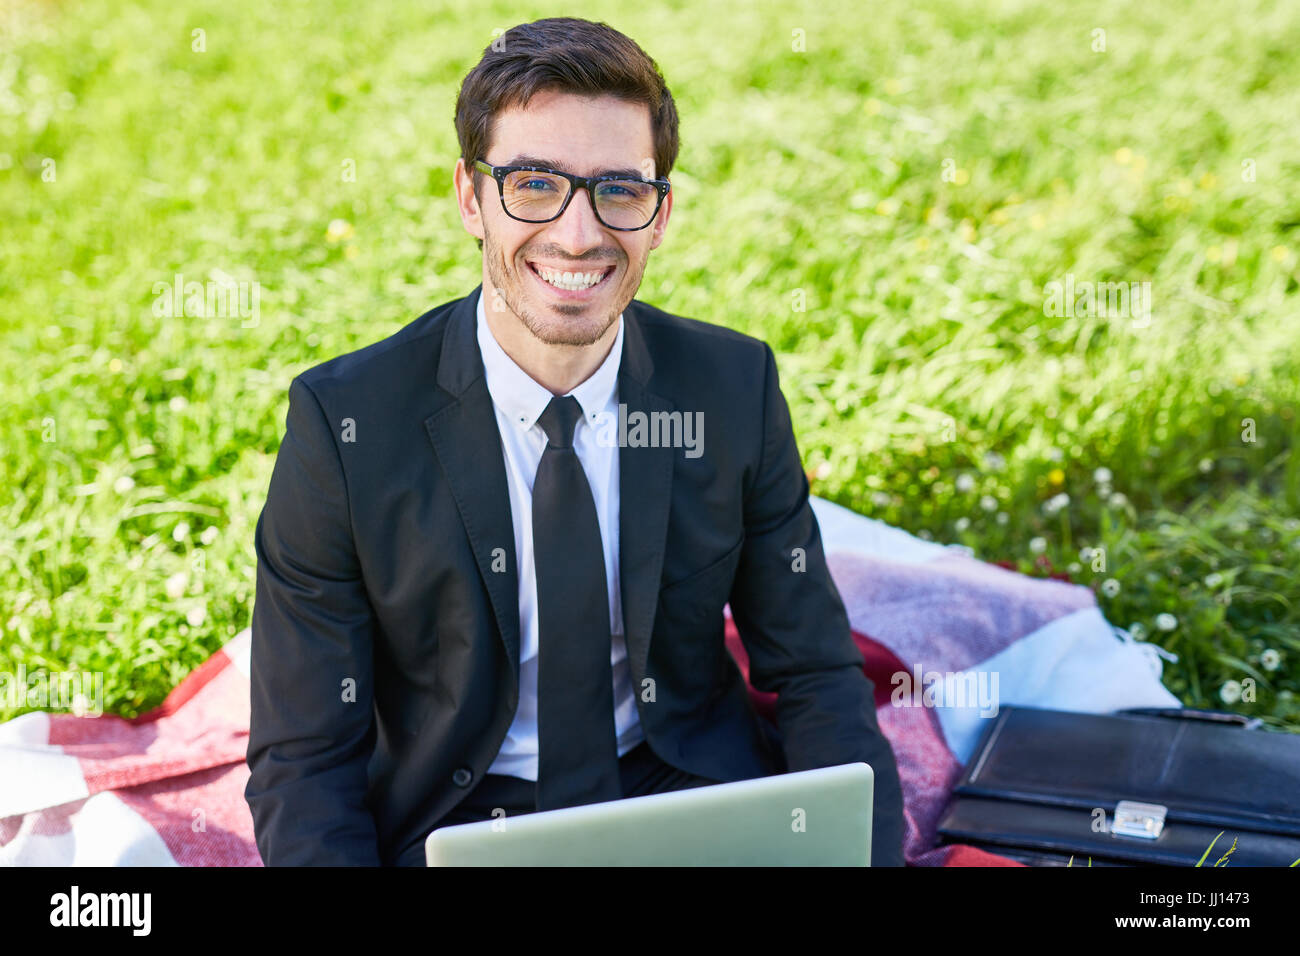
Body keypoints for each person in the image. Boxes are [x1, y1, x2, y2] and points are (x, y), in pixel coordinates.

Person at [244, 15, 906, 867]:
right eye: (533, 184)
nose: (579, 234)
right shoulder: (342, 425)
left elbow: (815, 672)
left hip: (685, 794)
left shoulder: (732, 389)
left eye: (619, 190)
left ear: (660, 215)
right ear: (468, 198)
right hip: (460, 822)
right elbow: (305, 758)